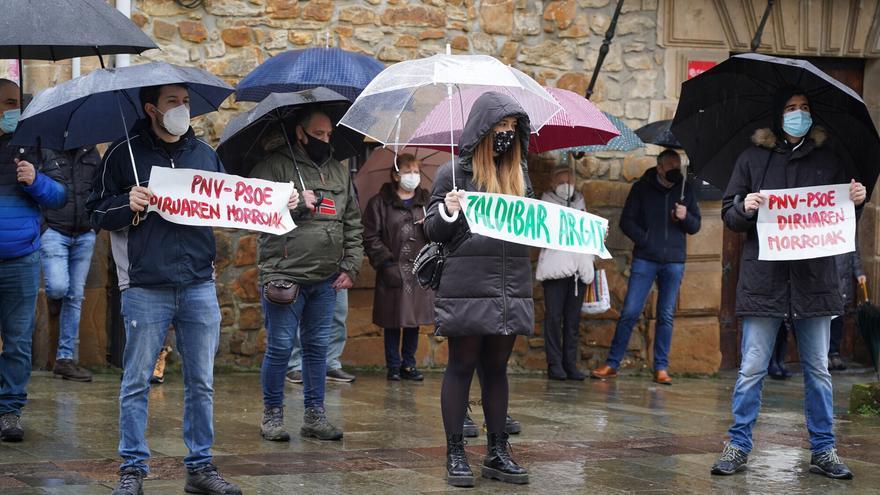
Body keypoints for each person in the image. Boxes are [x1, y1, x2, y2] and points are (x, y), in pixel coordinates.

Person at [88, 83, 244, 495]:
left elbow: (233, 203)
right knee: (136, 381)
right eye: (173, 101)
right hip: (145, 284)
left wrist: (281, 204)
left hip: (197, 282)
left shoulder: (204, 154)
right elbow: (96, 211)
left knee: (202, 381)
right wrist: (126, 204)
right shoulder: (122, 154)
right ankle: (132, 469)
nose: (182, 108)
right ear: (151, 108)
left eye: (186, 101)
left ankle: (201, 468)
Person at [711, 87, 863, 479]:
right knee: (751, 368)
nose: (799, 113)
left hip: (815, 282)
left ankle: (824, 450)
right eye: (792, 108)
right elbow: (729, 214)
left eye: (805, 108)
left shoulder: (829, 159)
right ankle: (738, 444)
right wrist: (744, 206)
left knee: (819, 371)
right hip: (764, 281)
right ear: (778, 115)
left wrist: (856, 199)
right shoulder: (751, 159)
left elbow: (842, 216)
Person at [426, 91, 532, 487]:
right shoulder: (453, 173)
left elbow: (535, 227)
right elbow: (432, 230)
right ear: (483, 129)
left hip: (509, 285)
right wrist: (449, 210)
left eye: (513, 127)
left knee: (497, 368)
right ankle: (455, 453)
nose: (507, 133)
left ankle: (497, 452)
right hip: (467, 284)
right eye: (501, 126)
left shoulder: (520, 176)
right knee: (462, 364)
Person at [251, 110, 362, 443]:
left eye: (328, 134)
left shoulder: (338, 171)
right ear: (300, 133)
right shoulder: (273, 166)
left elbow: (352, 221)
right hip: (285, 274)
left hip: (326, 278)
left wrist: (351, 265)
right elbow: (253, 213)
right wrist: (295, 203)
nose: (324, 140)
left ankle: (315, 415)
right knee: (280, 347)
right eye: (318, 134)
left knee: (317, 349)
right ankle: (272, 415)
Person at [591, 149, 701, 384]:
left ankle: (661, 368)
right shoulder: (642, 188)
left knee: (666, 314)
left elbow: (695, 226)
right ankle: (613, 363)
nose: (675, 170)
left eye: (678, 166)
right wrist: (645, 240)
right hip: (646, 259)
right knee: (630, 311)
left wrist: (685, 217)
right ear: (660, 168)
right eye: (671, 166)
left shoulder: (686, 190)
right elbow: (626, 221)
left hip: (674, 260)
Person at [0, 79, 67, 442]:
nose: (9, 109)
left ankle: (9, 411)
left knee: (17, 342)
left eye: (14, 102)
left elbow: (60, 196)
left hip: (21, 259)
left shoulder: (35, 146)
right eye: (3, 102)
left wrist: (35, 179)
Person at [362, 153, 433, 381]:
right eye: (407, 171)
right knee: (392, 319)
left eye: (416, 172)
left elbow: (438, 234)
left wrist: (430, 225)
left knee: (413, 319)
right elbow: (370, 236)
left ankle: (409, 365)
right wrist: (385, 263)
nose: (413, 176)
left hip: (418, 270)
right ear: (395, 175)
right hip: (392, 269)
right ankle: (393, 365)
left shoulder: (427, 202)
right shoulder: (379, 203)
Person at [40, 145, 101, 383]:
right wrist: (43, 227)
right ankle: (57, 298)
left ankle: (65, 359)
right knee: (58, 287)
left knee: (75, 296)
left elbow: (101, 188)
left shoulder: (92, 152)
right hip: (54, 231)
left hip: (85, 233)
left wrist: (95, 225)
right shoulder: (46, 151)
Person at [537, 161, 595, 381]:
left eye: (568, 180)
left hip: (578, 270)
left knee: (572, 321)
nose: (565, 185)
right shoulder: (546, 204)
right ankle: (554, 364)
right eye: (560, 181)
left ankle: (570, 364)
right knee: (553, 318)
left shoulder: (580, 202)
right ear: (553, 184)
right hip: (555, 269)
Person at [284, 290, 355, 384]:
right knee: (298, 313)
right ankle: (294, 365)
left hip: (335, 280)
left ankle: (330, 364)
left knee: (338, 312)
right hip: (300, 281)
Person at [830, 248, 865, 371]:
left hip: (843, 281)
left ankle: (834, 353)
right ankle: (823, 355)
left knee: (838, 320)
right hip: (826, 280)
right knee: (823, 320)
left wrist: (859, 273)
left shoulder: (850, 235)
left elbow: (854, 254)